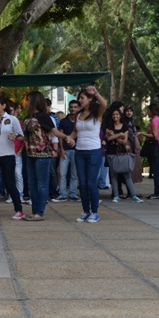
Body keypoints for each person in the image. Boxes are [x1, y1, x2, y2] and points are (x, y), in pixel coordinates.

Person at [22, 91, 75, 221]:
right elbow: (28, 137)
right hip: (30, 154)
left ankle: (40, 212)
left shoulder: (44, 117)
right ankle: (34, 211)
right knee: (32, 184)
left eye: (28, 100)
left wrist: (67, 137)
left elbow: (55, 132)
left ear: (34, 101)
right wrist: (16, 137)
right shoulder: (27, 117)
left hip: (43, 154)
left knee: (42, 184)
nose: (26, 102)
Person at [68, 86, 107, 223]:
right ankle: (85, 211)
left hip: (94, 151)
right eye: (79, 98)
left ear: (90, 99)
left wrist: (96, 93)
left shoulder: (97, 114)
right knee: (82, 184)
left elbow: (104, 104)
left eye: (82, 98)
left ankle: (95, 212)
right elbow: (75, 132)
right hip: (79, 151)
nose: (80, 100)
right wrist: (70, 138)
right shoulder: (78, 115)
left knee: (91, 183)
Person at [104, 108, 143, 204]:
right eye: (113, 114)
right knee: (113, 175)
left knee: (127, 175)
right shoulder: (109, 126)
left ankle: (133, 195)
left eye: (117, 114)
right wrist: (119, 135)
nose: (115, 116)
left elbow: (124, 141)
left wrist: (115, 136)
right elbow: (108, 138)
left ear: (120, 115)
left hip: (122, 153)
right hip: (111, 153)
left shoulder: (124, 126)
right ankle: (116, 195)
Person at [53, 100, 80, 202]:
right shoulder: (64, 121)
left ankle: (73, 194)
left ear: (78, 108)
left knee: (74, 174)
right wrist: (62, 149)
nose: (73, 109)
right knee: (62, 174)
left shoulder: (80, 121)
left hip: (77, 151)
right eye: (71, 107)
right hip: (66, 150)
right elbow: (60, 136)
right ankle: (63, 194)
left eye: (75, 107)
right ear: (69, 108)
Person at [139, 104, 159, 199]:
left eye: (148, 110)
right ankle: (158, 192)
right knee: (158, 171)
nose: (147, 112)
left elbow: (154, 135)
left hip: (154, 148)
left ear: (151, 111)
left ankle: (157, 193)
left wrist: (142, 133)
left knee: (156, 171)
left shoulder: (154, 120)